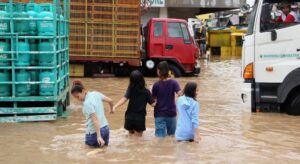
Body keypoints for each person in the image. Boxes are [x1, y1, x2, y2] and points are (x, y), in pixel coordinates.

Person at [71, 81, 114, 147]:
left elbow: (95, 119)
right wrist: (111, 109)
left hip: (94, 133)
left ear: (83, 91)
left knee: (88, 154)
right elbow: (110, 101)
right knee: (104, 152)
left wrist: (99, 136)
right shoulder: (96, 93)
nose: (77, 99)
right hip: (106, 129)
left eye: (77, 96)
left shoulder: (87, 103)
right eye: (75, 97)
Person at [113, 70, 155, 137]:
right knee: (137, 142)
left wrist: (115, 106)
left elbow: (124, 99)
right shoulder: (146, 91)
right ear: (142, 79)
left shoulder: (130, 89)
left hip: (129, 118)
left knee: (130, 138)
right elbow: (153, 104)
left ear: (131, 80)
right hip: (139, 119)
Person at [152, 61, 181, 138]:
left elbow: (153, 100)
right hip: (171, 114)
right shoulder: (174, 82)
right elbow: (180, 94)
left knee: (160, 139)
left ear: (159, 71)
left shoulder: (156, 85)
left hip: (159, 114)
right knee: (171, 137)